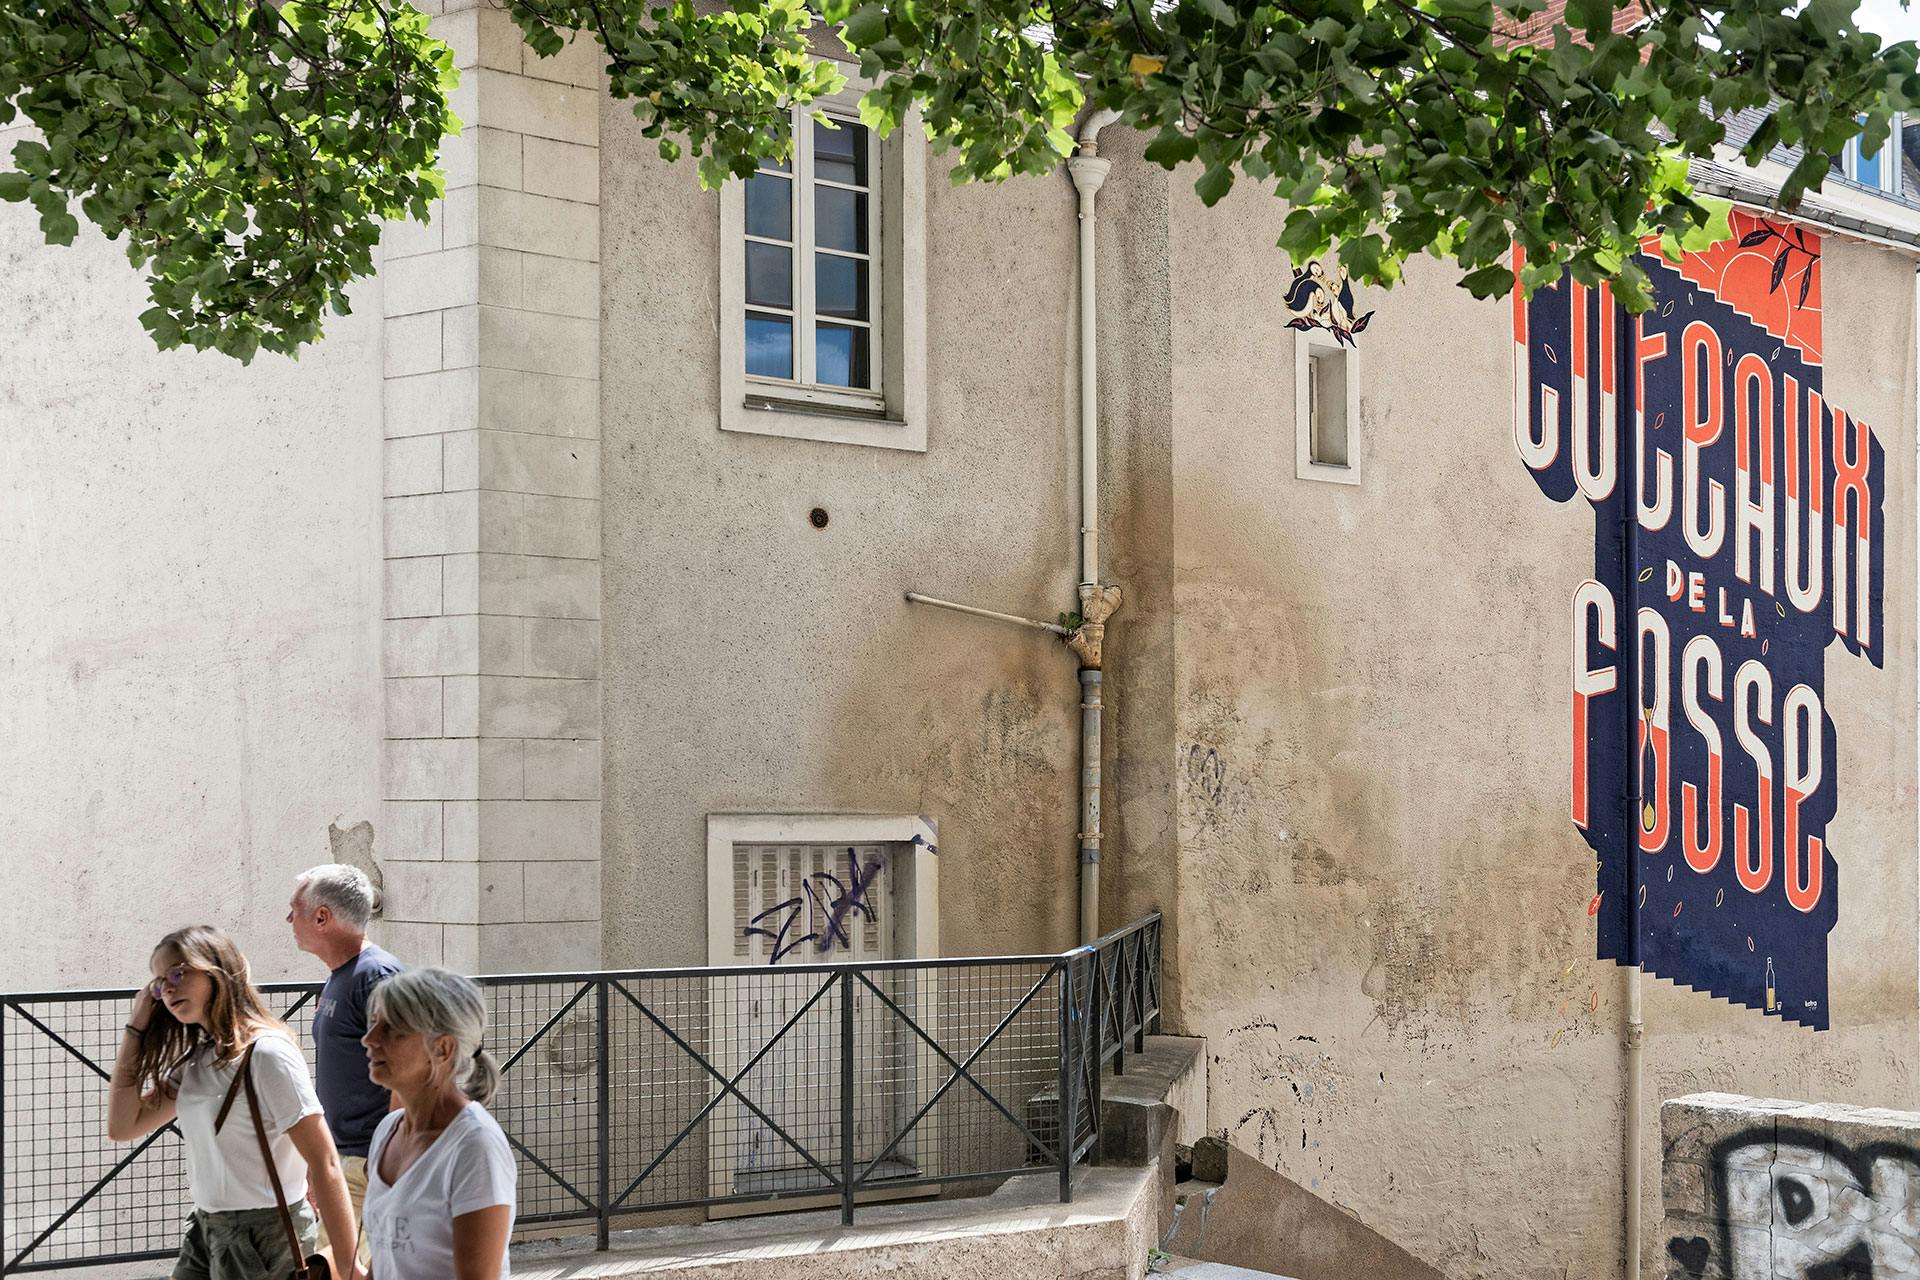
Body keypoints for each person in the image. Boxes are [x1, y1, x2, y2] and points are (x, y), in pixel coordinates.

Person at [108, 925, 359, 1280]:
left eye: (178, 972)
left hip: (265, 1234)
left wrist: (348, 1266)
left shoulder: (268, 1053)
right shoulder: (198, 1061)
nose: (168, 988)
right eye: (160, 982)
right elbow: (123, 1125)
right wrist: (136, 1027)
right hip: (206, 1229)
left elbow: (325, 1161)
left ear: (217, 972)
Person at [360, 967, 516, 1280]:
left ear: (442, 1049)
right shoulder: (388, 1130)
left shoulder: (475, 1147)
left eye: (393, 1029)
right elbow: (385, 1263)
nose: (369, 1039)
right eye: (374, 1023)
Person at [289, 864, 403, 1268]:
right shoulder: (344, 976)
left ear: (322, 917)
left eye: (295, 910)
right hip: (346, 1161)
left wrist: (386, 1160)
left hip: (368, 1161)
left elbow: (407, 1073)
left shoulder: (377, 975)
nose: (289, 920)